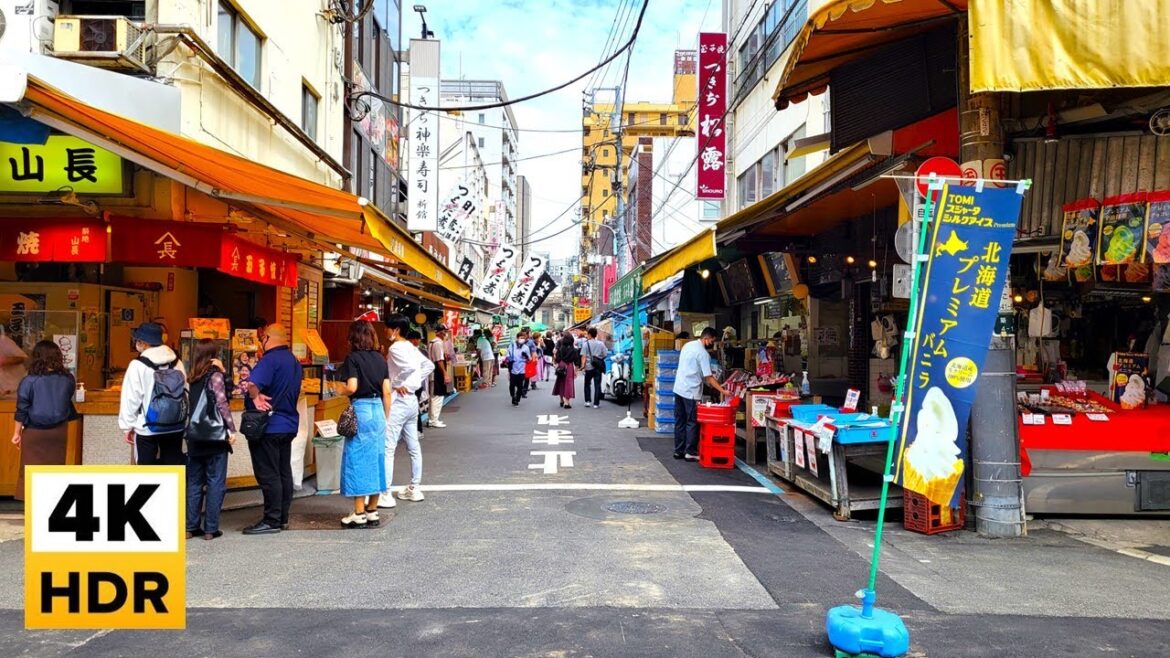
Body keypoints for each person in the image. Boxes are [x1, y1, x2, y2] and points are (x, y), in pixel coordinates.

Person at [243, 324, 302, 535]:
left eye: (262, 338)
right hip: (288, 423)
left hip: (268, 425)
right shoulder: (293, 360)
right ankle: (282, 517)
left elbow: (252, 384)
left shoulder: (269, 360)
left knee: (268, 473)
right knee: (283, 471)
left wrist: (255, 397)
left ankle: (271, 520)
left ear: (267, 338)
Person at [338, 321, 392, 529]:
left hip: (361, 409)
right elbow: (387, 392)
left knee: (357, 459)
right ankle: (372, 510)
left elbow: (352, 387)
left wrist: (339, 388)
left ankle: (359, 513)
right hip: (378, 411)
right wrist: (385, 418)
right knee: (377, 458)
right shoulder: (380, 358)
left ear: (353, 338)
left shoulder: (353, 358)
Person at [11, 340, 77, 503]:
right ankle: (51, 505)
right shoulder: (68, 379)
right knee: (54, 469)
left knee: (30, 470)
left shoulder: (29, 381)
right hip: (59, 431)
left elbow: (22, 409)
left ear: (37, 357)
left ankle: (32, 507)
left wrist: (16, 433)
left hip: (34, 433)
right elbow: (67, 399)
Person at [185, 339, 235, 540]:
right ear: (214, 355)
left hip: (195, 437)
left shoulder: (191, 377)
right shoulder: (215, 376)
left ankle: (190, 527)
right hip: (214, 437)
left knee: (194, 482)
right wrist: (231, 429)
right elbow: (222, 402)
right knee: (215, 482)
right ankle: (210, 529)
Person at [119, 322, 187, 466]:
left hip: (147, 427)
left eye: (137, 341)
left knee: (147, 471)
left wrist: (127, 426)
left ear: (143, 343)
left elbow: (131, 398)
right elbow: (184, 391)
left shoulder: (138, 365)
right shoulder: (177, 362)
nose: (136, 344)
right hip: (175, 425)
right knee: (172, 467)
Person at [383, 314, 434, 506]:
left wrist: (396, 384)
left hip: (398, 401)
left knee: (388, 448)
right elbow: (428, 365)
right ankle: (414, 487)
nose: (385, 331)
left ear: (395, 330)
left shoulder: (395, 347)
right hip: (412, 400)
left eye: (387, 327)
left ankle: (385, 493)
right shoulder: (411, 347)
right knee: (413, 446)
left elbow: (409, 368)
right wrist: (412, 384)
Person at [674, 327, 729, 461]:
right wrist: (723, 390)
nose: (712, 344)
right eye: (712, 341)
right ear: (706, 338)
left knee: (680, 421)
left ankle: (678, 451)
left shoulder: (687, 345)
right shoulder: (703, 354)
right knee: (692, 421)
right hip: (691, 391)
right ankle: (690, 452)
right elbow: (709, 377)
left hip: (679, 388)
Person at [426, 326, 449, 429]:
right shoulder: (438, 343)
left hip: (432, 372)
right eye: (444, 331)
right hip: (437, 372)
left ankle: (431, 419)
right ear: (440, 332)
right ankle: (434, 420)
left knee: (433, 396)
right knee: (438, 396)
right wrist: (445, 373)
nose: (445, 333)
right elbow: (439, 360)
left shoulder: (432, 342)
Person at [407, 330, 428, 441]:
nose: (417, 341)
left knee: (414, 408)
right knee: (414, 407)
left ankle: (418, 430)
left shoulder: (420, 352)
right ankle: (414, 431)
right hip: (416, 384)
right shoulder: (421, 351)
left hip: (414, 385)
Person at [580, 327, 608, 409]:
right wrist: (599, 358)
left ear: (589, 334)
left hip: (588, 367)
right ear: (595, 335)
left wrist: (583, 366)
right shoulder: (601, 344)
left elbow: (583, 357)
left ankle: (587, 401)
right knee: (597, 385)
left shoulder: (585, 344)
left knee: (587, 384)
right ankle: (596, 403)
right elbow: (605, 354)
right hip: (598, 367)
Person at [506, 329, 532, 406]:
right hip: (513, 368)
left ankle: (517, 398)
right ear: (517, 338)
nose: (522, 339)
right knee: (512, 385)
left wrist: (526, 356)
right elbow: (507, 355)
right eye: (521, 338)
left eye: (524, 338)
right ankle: (513, 396)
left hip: (522, 369)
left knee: (520, 386)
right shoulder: (512, 346)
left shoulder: (526, 348)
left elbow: (529, 360)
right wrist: (509, 359)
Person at [552, 334, 579, 409]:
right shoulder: (574, 350)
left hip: (561, 365)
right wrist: (576, 371)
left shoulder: (560, 349)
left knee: (561, 383)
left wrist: (556, 364)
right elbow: (576, 362)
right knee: (569, 383)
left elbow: (557, 359)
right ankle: (567, 402)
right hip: (569, 366)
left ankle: (561, 400)